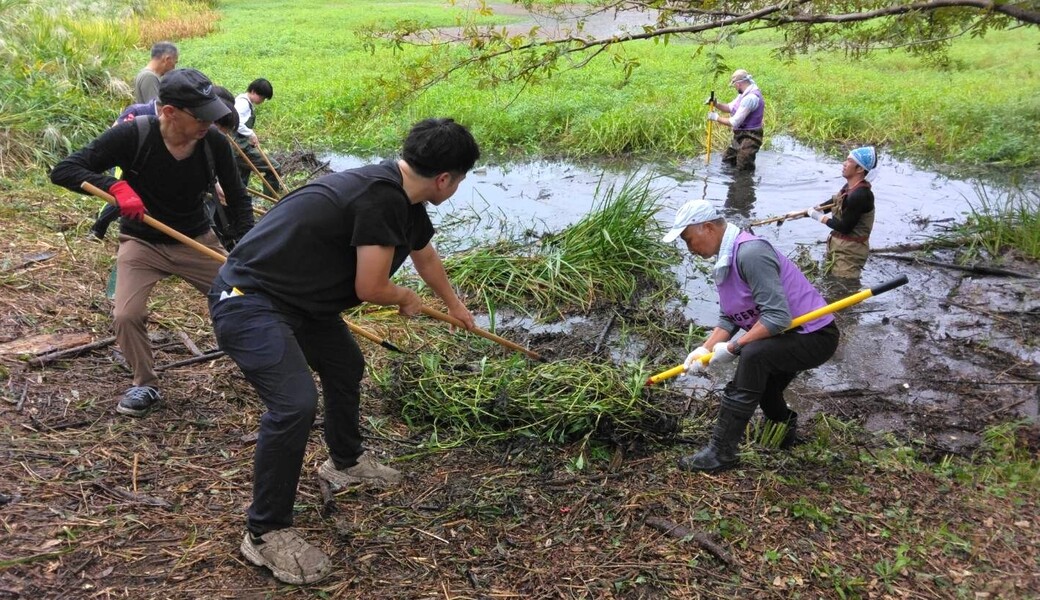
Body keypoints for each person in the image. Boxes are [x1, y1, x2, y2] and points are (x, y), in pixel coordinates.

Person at [208, 117, 480, 584]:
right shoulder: (381, 198)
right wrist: (405, 298)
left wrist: (456, 307)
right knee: (294, 404)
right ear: (445, 179)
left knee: (345, 366)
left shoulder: (402, 195)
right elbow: (371, 286)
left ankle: (345, 462)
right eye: (459, 180)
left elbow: (424, 253)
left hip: (304, 301)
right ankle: (264, 533)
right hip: (250, 299)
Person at [51, 69, 254, 417]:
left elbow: (237, 198)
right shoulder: (133, 136)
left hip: (195, 241)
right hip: (142, 243)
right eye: (200, 114)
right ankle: (145, 383)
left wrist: (248, 248)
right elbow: (65, 169)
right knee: (126, 314)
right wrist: (115, 187)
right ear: (170, 112)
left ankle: (262, 366)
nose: (210, 121)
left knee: (241, 298)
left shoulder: (213, 143)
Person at [662, 199, 839, 472]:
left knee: (754, 356)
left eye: (688, 239)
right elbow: (730, 317)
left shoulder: (750, 253)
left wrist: (733, 348)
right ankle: (783, 429)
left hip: (814, 335)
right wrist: (705, 350)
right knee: (763, 382)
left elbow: (777, 317)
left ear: (708, 228)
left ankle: (721, 452)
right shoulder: (726, 259)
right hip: (788, 335)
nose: (689, 248)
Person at [807, 146, 878, 280]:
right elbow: (832, 204)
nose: (844, 164)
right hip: (837, 248)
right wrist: (804, 212)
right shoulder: (848, 188)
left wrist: (818, 217)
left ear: (860, 169)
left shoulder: (861, 195)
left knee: (845, 286)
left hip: (850, 253)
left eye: (849, 161)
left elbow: (845, 227)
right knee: (831, 281)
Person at [708, 69, 765, 171]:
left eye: (734, 85)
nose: (734, 87)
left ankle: (745, 184)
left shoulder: (750, 98)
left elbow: (734, 122)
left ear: (738, 84)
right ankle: (733, 183)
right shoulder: (743, 94)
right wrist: (716, 104)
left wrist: (716, 117)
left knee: (744, 165)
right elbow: (730, 107)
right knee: (728, 160)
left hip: (751, 136)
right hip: (739, 134)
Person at [233, 78, 282, 195]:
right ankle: (272, 198)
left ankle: (237, 202)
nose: (263, 101)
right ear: (253, 91)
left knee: (241, 178)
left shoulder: (245, 101)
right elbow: (235, 122)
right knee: (274, 167)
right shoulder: (243, 104)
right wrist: (251, 134)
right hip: (240, 149)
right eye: (262, 97)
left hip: (240, 146)